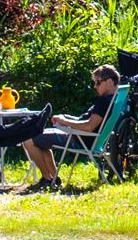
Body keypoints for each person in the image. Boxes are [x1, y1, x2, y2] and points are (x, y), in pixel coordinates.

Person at [16, 64, 118, 193]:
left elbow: (89, 126)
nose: (95, 86)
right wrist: (66, 118)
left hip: (79, 139)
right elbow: (87, 121)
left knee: (28, 139)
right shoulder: (114, 100)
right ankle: (54, 179)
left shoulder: (103, 101)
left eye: (98, 83)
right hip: (87, 138)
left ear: (109, 82)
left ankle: (47, 179)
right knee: (40, 140)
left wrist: (65, 122)